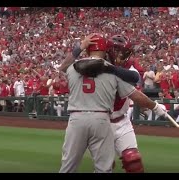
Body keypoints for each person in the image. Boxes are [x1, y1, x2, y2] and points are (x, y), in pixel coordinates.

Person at [58, 33, 168, 173]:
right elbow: (135, 89)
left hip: (85, 118)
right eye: (116, 51)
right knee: (104, 167)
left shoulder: (75, 67)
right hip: (102, 120)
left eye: (122, 52)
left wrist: (80, 48)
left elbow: (63, 67)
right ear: (106, 50)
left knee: (69, 165)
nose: (119, 55)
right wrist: (155, 106)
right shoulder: (112, 71)